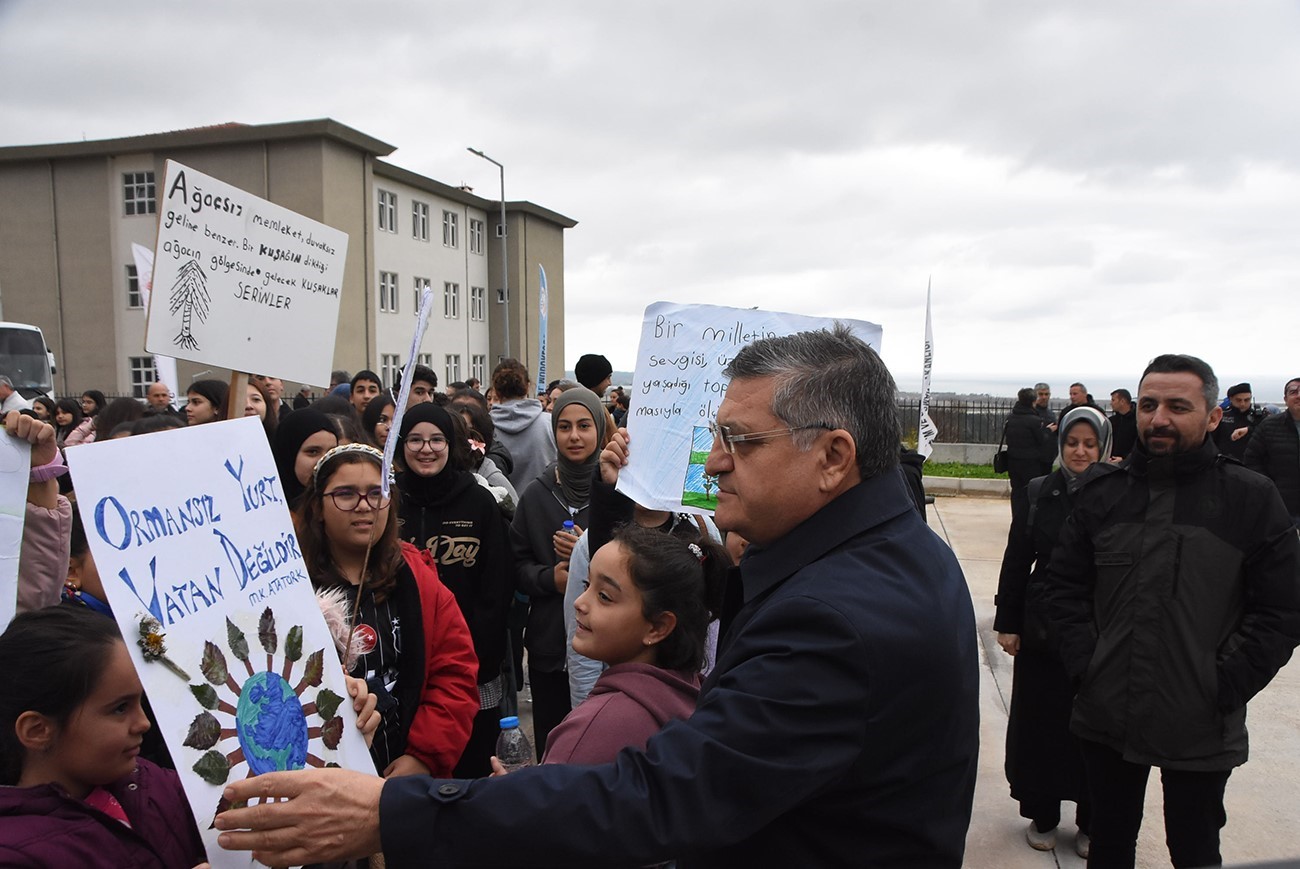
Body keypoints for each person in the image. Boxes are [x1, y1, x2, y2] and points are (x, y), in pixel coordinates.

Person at [215, 324, 981, 868]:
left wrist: (386, 811)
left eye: (738, 441)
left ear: (833, 457)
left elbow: (661, 796)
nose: (711, 463)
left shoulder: (838, 617)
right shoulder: (900, 550)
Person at [1041, 354, 1300, 868]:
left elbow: (1281, 608)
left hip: (1202, 721)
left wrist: (1224, 683)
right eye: (1149, 404)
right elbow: (1063, 588)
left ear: (1212, 416)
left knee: (1195, 848)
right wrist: (1087, 667)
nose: (1159, 417)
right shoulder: (1101, 493)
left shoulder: (1250, 498)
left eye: (1178, 406)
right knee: (1109, 845)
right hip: (1107, 713)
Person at [294, 443, 479, 779]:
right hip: (318, 776)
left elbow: (454, 675)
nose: (364, 507)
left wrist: (423, 757)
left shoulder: (418, 580)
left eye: (376, 493)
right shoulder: (293, 586)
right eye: (346, 494)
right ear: (318, 507)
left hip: (403, 774)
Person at [0, 606, 208, 867]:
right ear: (37, 730)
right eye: (120, 708)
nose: (143, 723)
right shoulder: (15, 855)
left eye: (140, 702)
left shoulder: (152, 785)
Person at [995, 406, 1112, 858]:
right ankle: (1042, 812)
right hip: (1042, 630)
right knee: (1040, 725)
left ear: (1103, 447)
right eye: (1071, 442)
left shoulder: (1117, 494)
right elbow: (1016, 557)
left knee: (1094, 729)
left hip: (1098, 627)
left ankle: (1090, 818)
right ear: (1060, 445)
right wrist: (1008, 620)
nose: (1079, 451)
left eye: (1089, 443)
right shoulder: (1039, 491)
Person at [512, 524, 726, 768]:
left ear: (658, 627)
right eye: (586, 585)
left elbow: (551, 803)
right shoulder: (690, 692)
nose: (580, 603)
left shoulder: (596, 729)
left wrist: (512, 798)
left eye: (604, 596)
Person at [394, 403, 515, 777]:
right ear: (401, 446)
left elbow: (497, 586)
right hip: (404, 661)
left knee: (473, 764)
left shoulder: (478, 501)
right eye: (415, 440)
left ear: (452, 445)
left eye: (436, 440)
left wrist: (480, 655)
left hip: (471, 663)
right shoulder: (388, 502)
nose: (426, 449)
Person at [510, 387, 606, 758]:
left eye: (584, 425)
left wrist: (589, 555)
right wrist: (553, 579)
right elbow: (516, 568)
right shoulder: (537, 495)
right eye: (564, 426)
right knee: (555, 749)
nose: (574, 436)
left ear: (599, 429)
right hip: (550, 647)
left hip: (607, 646)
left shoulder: (617, 493)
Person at [489, 358, 555, 491]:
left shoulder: (486, 427)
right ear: (528, 386)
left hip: (500, 507)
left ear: (495, 390)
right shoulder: (550, 424)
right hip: (543, 504)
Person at [1244, 376, 1300, 528]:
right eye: (1294, 392)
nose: (1299, 395)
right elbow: (1252, 460)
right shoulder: (1269, 426)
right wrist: (1269, 488)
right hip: (1282, 506)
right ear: (1285, 398)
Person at [272, 407, 339, 510]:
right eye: (313, 452)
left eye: (331, 452)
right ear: (288, 456)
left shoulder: (348, 504)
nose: (324, 460)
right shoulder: (267, 512)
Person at [1003, 386, 1053, 519]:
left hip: (1013, 461)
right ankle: (1027, 519)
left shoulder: (1011, 417)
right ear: (1033, 401)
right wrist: (1048, 431)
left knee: (1016, 492)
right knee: (1030, 492)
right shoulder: (1034, 420)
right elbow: (1041, 440)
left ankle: (1016, 517)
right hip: (1030, 463)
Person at [1216, 382, 1266, 463]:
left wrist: (1249, 429)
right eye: (1238, 400)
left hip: (1251, 463)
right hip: (1225, 462)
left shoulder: (1258, 417)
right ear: (1231, 399)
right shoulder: (1221, 415)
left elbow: (1268, 433)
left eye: (1247, 400)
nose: (1243, 404)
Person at [1108, 388, 1137, 460]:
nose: (1111, 403)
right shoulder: (1111, 421)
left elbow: (1139, 445)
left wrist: (1125, 459)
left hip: (1130, 464)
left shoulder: (1137, 421)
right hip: (1111, 462)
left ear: (1122, 401)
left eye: (1113, 400)